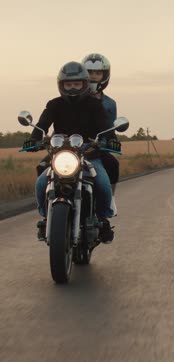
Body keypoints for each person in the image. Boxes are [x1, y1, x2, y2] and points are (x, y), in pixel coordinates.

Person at [22, 61, 119, 242]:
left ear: (84, 84)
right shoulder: (54, 104)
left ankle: (103, 219)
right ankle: (45, 217)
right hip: (60, 152)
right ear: (61, 85)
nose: (72, 88)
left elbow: (106, 126)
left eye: (76, 84)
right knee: (42, 182)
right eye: (68, 84)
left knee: (103, 183)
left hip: (88, 152)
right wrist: (34, 139)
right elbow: (42, 125)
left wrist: (110, 139)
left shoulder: (94, 104)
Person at [82, 53, 120, 200]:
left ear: (105, 75)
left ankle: (109, 202)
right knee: (43, 166)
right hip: (71, 147)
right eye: (89, 72)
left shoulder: (110, 103)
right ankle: (49, 209)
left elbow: (110, 128)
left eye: (98, 73)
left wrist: (112, 141)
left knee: (112, 164)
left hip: (97, 147)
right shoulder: (73, 98)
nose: (93, 76)